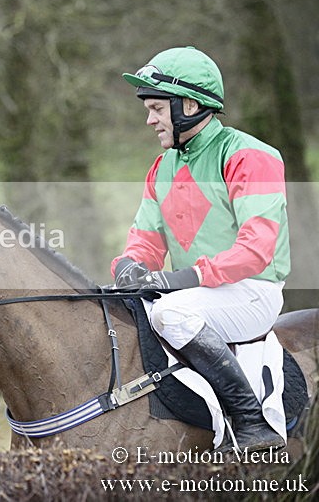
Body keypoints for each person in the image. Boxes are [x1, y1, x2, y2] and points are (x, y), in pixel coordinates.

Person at [111, 47, 290, 453]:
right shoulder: (162, 168)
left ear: (189, 105)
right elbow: (146, 240)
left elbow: (256, 249)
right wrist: (129, 266)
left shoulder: (249, 155)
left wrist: (179, 279)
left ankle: (252, 422)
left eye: (157, 108)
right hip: (199, 294)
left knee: (171, 312)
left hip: (252, 291)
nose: (149, 120)